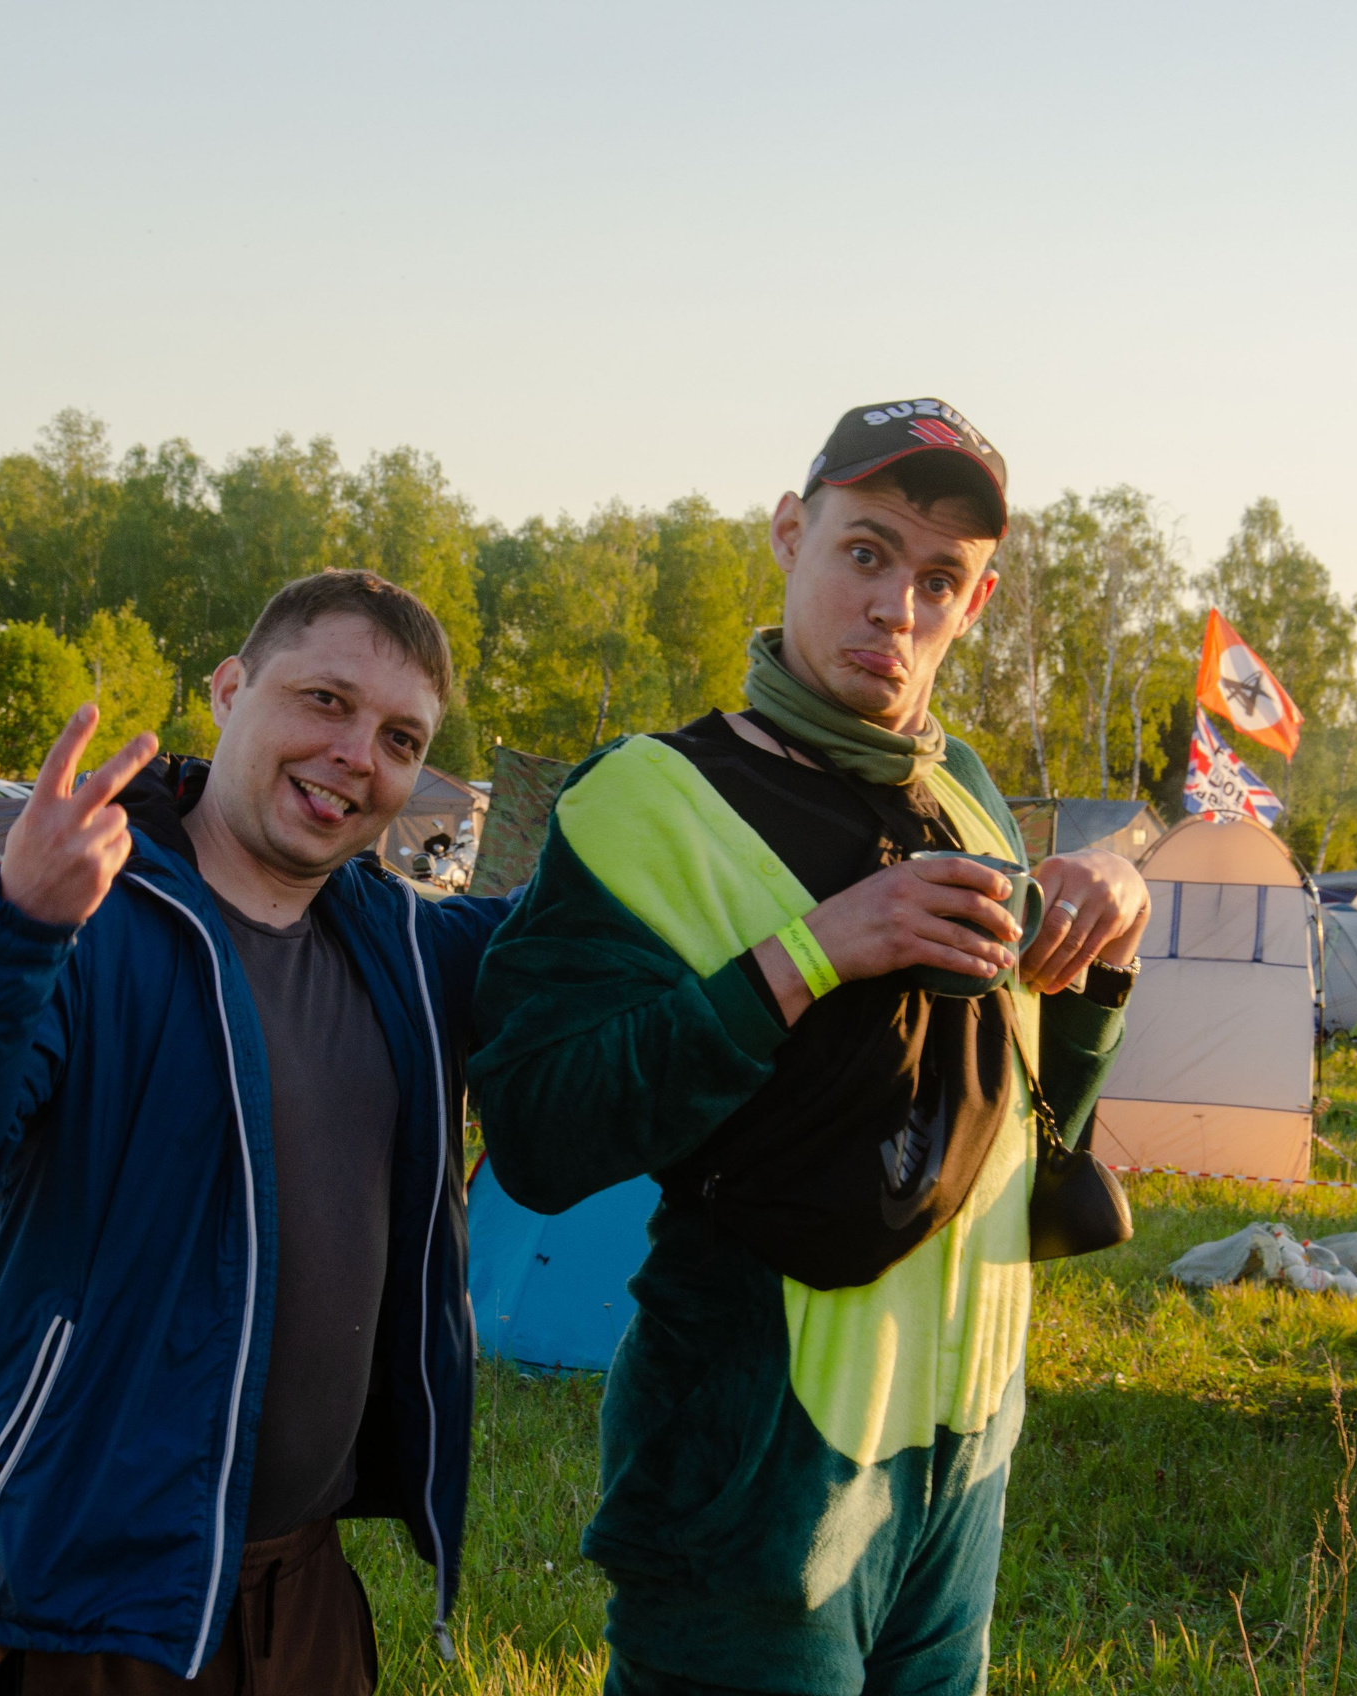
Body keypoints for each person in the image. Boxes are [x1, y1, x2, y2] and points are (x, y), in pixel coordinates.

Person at [471, 401, 1153, 1695]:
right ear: (792, 536)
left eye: (940, 578)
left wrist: (1097, 962)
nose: (898, 604)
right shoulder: (647, 801)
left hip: (959, 1457)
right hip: (756, 1474)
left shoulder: (971, 802)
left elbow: (1007, 1127)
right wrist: (809, 955)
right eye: (866, 552)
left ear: (979, 601)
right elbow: (539, 1131)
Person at [0, 570, 514, 1694]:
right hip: (68, 1599)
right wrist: (12, 925)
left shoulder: (410, 948)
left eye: (401, 736)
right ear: (230, 688)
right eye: (325, 701)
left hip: (302, 1597)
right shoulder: (78, 913)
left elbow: (595, 950)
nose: (357, 753)